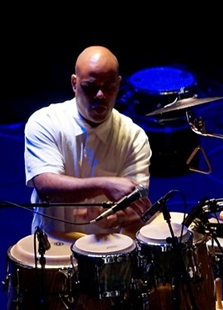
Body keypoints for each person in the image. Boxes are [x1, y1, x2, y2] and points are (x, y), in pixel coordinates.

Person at [24, 45, 152, 238]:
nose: (100, 95)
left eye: (108, 86)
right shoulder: (45, 122)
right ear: (74, 83)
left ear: (118, 84)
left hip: (105, 253)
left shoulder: (134, 137)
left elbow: (136, 207)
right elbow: (46, 187)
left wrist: (115, 217)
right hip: (52, 248)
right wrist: (103, 185)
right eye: (90, 87)